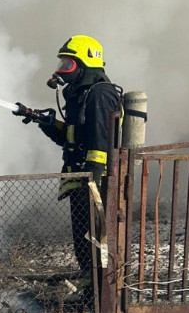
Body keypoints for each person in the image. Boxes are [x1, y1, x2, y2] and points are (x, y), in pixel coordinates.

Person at [14, 35, 122, 296]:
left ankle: (101, 297)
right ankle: (91, 292)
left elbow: (100, 142)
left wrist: (92, 181)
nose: (61, 70)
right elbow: (71, 138)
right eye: (62, 63)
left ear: (85, 64)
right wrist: (45, 121)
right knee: (83, 241)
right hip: (81, 181)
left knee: (96, 242)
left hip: (95, 184)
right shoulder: (81, 96)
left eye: (68, 64)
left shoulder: (99, 94)